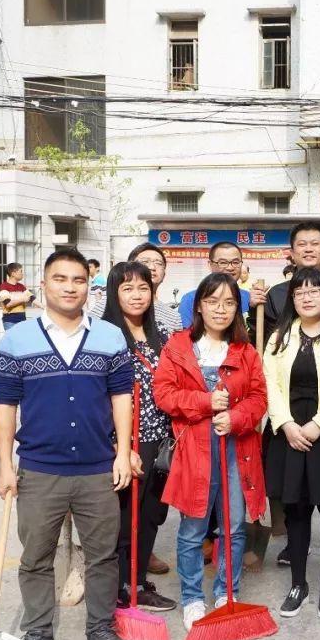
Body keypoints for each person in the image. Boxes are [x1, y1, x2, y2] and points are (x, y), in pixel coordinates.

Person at [0, 248, 139, 640]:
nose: (70, 287)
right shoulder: (17, 340)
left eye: (78, 280)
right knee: (36, 556)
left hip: (97, 469)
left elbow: (122, 398)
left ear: (88, 286)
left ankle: (101, 630)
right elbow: (5, 410)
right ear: (43, 284)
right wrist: (6, 467)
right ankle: (38, 632)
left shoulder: (109, 337)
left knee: (103, 555)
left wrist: (122, 453)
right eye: (60, 278)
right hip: (39, 470)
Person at [153, 273, 268, 631]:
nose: (221, 309)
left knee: (233, 528)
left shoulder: (245, 352)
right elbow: (164, 395)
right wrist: (205, 402)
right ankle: (192, 598)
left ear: (238, 309)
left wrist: (235, 417)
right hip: (195, 451)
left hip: (238, 450)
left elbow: (259, 398)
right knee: (192, 529)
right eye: (212, 301)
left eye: (229, 302)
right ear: (199, 305)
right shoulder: (178, 346)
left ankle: (226, 592)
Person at [260, 222, 320, 567]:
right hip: (289, 415)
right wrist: (282, 420)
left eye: (316, 243)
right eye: (302, 244)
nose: (309, 249)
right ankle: (294, 550)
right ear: (292, 251)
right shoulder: (277, 294)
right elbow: (270, 367)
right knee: (294, 494)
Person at [102, 261, 178, 613]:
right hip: (125, 443)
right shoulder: (103, 336)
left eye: (143, 288)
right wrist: (118, 446)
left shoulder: (161, 334)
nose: (136, 295)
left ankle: (137, 582)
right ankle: (118, 588)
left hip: (161, 441)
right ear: (115, 293)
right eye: (127, 288)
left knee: (150, 515)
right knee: (124, 519)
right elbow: (95, 396)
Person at [91, 243, 182, 336]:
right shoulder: (105, 306)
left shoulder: (173, 317)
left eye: (158, 263)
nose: (152, 267)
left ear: (164, 274)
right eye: (145, 262)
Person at [177, 242, 265, 328]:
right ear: (210, 265)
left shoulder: (249, 298)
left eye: (235, 262)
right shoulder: (191, 299)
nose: (230, 268)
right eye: (223, 262)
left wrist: (253, 309)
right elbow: (185, 337)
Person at [0, 262, 35, 331]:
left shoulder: (21, 287)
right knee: (12, 341)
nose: (22, 274)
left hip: (22, 321)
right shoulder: (4, 286)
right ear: (13, 273)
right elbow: (8, 304)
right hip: (10, 321)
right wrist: (22, 300)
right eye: (20, 271)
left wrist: (45, 307)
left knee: (22, 341)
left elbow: (32, 298)